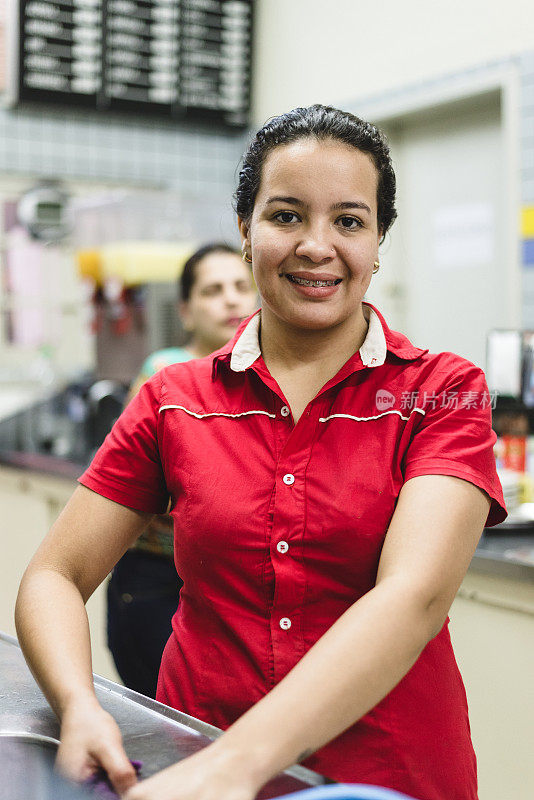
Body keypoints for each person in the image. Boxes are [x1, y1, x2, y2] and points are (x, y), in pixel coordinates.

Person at [15, 105, 506, 800]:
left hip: (383, 776)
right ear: (245, 228)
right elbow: (54, 576)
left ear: (377, 240)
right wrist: (79, 706)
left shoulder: (443, 391)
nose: (316, 245)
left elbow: (413, 596)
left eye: (349, 221)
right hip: (192, 753)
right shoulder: (173, 399)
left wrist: (235, 769)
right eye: (286, 216)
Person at [106, 243, 258, 698]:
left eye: (240, 287)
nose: (231, 300)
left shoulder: (264, 376)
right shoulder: (165, 373)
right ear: (187, 312)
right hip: (157, 580)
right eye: (213, 290)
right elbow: (143, 486)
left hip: (225, 582)